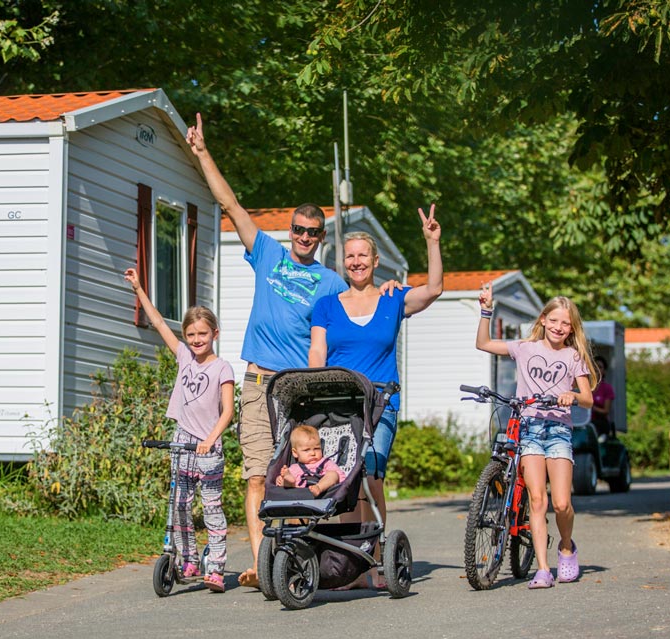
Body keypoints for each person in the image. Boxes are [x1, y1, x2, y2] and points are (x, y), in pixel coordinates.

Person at [185, 113, 348, 588]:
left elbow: (362, 311)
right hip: (258, 383)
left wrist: (396, 290)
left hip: (299, 390)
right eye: (298, 229)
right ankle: (261, 564)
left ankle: (296, 556)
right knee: (257, 475)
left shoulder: (331, 282)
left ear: (321, 236)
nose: (303, 237)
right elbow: (229, 203)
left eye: (312, 232)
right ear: (290, 229)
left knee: (299, 475)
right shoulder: (269, 254)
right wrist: (200, 152)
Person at [308, 204, 444, 588]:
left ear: (375, 260)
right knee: (342, 481)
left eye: (362, 255)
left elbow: (434, 289)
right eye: (349, 256)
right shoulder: (327, 306)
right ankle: (353, 562)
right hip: (338, 404)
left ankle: (377, 559)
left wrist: (432, 242)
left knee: (370, 473)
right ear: (343, 263)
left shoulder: (393, 299)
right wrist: (315, 387)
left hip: (381, 403)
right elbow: (317, 352)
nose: (355, 262)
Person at [475, 288, 596, 589]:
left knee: (562, 503)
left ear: (572, 328)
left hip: (557, 431)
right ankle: (543, 569)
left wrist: (573, 395)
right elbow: (483, 343)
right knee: (538, 500)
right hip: (528, 429)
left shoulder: (573, 356)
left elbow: (589, 399)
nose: (558, 327)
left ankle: (566, 546)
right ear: (543, 320)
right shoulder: (524, 348)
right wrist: (486, 311)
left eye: (565, 323)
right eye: (553, 320)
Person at [124, 267, 235, 593]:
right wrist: (138, 289)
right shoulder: (184, 356)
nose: (196, 340)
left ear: (215, 333)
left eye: (202, 334)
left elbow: (227, 410)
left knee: (211, 508)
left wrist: (210, 440)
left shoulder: (221, 367)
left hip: (208, 445)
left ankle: (215, 566)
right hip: (182, 439)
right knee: (180, 504)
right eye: (191, 335)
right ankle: (187, 559)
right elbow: (158, 322)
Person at [276, 425, 344, 497]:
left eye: (316, 448)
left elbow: (341, 476)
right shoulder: (295, 468)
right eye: (306, 450)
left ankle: (318, 488)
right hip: (299, 491)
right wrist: (280, 480)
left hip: (323, 491)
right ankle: (289, 482)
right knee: (288, 480)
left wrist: (342, 484)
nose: (313, 453)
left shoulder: (326, 462)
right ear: (295, 453)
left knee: (333, 474)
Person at [591, 356, 615, 439]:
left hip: (599, 424)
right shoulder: (584, 387)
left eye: (600, 367)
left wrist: (592, 408)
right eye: (594, 366)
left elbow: (606, 411)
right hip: (584, 423)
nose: (597, 369)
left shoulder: (607, 388)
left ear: (604, 371)